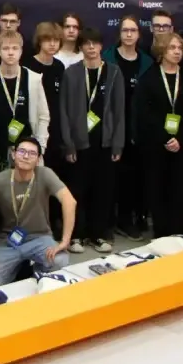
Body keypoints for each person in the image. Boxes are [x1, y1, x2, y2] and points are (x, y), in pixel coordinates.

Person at [59, 28, 125, 252]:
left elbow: (119, 110)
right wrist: (68, 144)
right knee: (78, 190)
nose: (91, 47)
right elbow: (64, 111)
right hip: (79, 143)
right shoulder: (72, 73)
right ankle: (77, 235)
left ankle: (100, 234)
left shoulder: (113, 72)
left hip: (105, 143)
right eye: (86, 43)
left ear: (101, 46)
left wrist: (118, 144)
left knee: (103, 190)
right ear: (81, 47)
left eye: (95, 43)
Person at [0, 137, 76, 285]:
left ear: (38, 159)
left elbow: (69, 201)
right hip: (7, 241)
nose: (26, 156)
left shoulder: (45, 174)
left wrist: (65, 241)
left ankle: (36, 274)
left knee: (60, 260)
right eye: (22, 151)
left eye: (32, 153)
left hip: (39, 238)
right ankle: (22, 270)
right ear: (13, 154)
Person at [135, 34, 183, 237]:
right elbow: (144, 114)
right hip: (156, 145)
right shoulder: (148, 78)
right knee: (157, 190)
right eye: (172, 48)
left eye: (179, 48)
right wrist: (165, 138)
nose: (177, 51)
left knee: (180, 190)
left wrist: (181, 139)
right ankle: (160, 234)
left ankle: (177, 232)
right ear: (161, 51)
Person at [104, 16, 153, 239]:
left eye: (133, 30)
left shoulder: (147, 62)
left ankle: (131, 218)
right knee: (112, 176)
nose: (129, 34)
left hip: (138, 127)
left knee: (134, 177)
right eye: (125, 30)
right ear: (120, 33)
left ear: (139, 34)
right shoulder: (108, 58)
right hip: (111, 124)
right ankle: (111, 221)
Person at [0, 32, 50, 170]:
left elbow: (43, 116)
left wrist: (40, 147)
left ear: (21, 51)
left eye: (15, 48)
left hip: (28, 149)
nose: (10, 53)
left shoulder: (33, 79)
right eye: (6, 48)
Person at [23, 21, 67, 172]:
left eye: (56, 40)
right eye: (48, 40)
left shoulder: (59, 66)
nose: (52, 44)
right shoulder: (28, 65)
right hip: (35, 125)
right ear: (39, 41)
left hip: (55, 128)